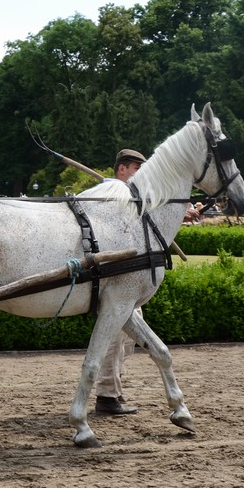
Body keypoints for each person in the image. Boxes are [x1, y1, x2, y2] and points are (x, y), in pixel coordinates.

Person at [95, 149, 147, 416]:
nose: (141, 175)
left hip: (127, 280)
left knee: (127, 342)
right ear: (122, 169)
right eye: (137, 169)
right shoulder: (114, 194)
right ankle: (106, 397)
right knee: (115, 340)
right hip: (114, 280)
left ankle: (113, 388)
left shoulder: (126, 196)